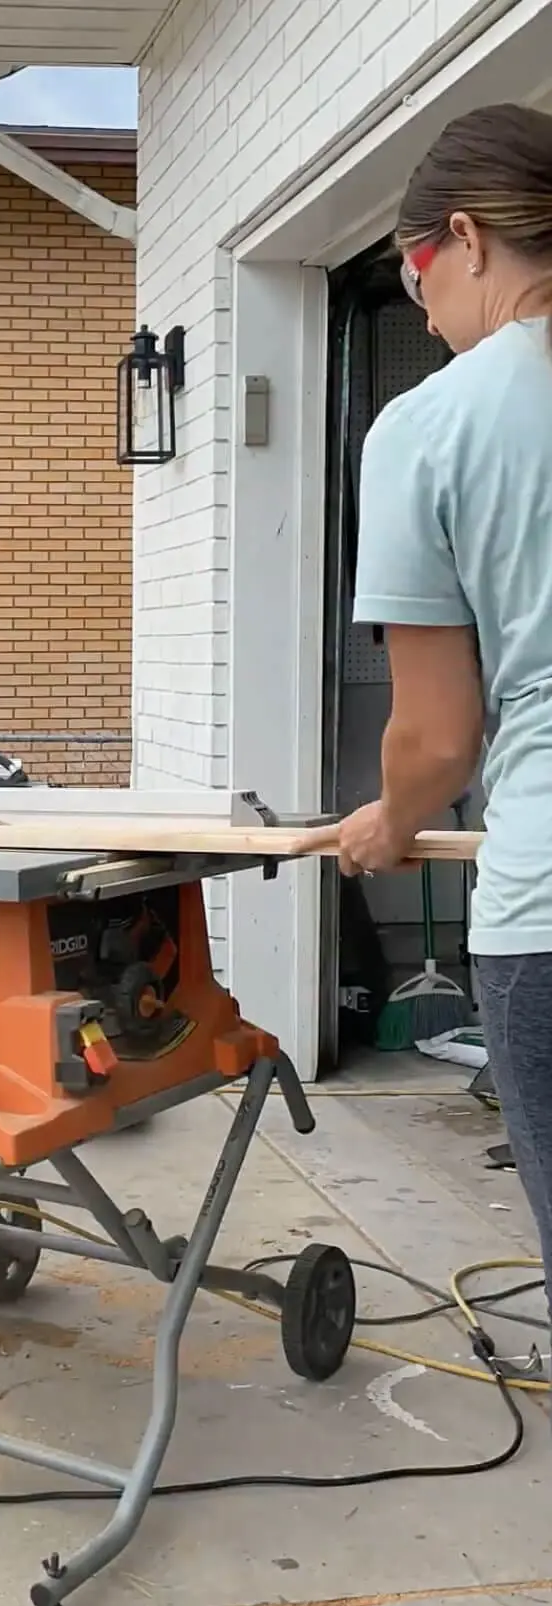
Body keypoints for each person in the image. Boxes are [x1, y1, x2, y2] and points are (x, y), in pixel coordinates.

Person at [303, 103, 552, 1318]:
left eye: (413, 276)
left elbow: (441, 737)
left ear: (465, 237)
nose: (423, 307)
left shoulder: (433, 423)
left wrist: (390, 821)